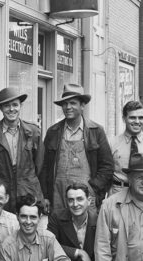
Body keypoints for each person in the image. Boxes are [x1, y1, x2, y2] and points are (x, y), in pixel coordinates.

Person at [40, 83, 115, 219]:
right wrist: (45, 195)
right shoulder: (53, 131)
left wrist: (94, 188)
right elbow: (44, 167)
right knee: (59, 228)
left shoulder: (96, 131)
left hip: (85, 197)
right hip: (58, 196)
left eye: (73, 103)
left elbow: (107, 166)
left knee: (87, 229)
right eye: (65, 104)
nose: (68, 107)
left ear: (82, 105)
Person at [0, 87, 44, 212]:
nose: (11, 109)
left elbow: (40, 164)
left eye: (15, 105)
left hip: (28, 190)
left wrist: (27, 179)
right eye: (7, 106)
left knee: (27, 220)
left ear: (20, 106)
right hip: (4, 191)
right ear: (1, 109)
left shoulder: (33, 132)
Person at [109, 100, 143, 195]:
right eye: (132, 118)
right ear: (124, 119)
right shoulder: (112, 143)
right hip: (119, 192)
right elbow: (106, 173)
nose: (137, 121)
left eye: (141, 118)